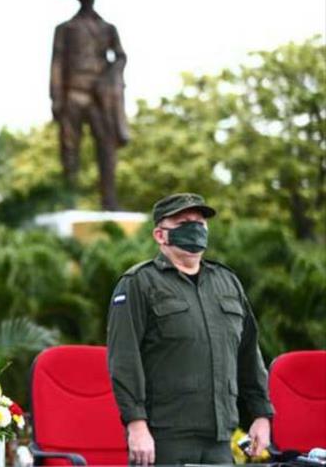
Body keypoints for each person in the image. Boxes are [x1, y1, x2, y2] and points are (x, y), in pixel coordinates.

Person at [107, 193, 273, 466]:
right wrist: (136, 426)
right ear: (160, 235)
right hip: (165, 440)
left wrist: (261, 415)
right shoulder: (139, 283)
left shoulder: (227, 282)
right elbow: (123, 359)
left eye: (200, 222)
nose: (196, 228)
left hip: (220, 440)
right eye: (184, 222)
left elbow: (248, 355)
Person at [50, 0, 129, 210]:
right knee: (69, 148)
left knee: (106, 146)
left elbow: (121, 57)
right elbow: (56, 64)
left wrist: (109, 77)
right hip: (72, 92)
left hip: (99, 97)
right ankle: (69, 199)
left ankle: (109, 199)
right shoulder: (66, 29)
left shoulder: (108, 29)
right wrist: (55, 97)